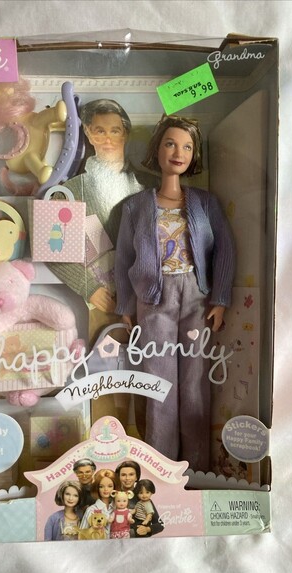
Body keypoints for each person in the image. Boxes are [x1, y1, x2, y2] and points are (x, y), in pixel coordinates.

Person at [114, 115, 236, 473]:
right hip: (153, 298)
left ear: (194, 154)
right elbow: (123, 257)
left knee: (195, 383)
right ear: (157, 149)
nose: (178, 152)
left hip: (196, 297)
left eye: (187, 146)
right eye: (170, 143)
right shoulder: (136, 206)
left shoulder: (204, 203)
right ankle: (161, 468)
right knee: (158, 381)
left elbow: (225, 249)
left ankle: (196, 469)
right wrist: (125, 305)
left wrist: (220, 298)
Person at [46, 99, 157, 425]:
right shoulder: (69, 190)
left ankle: (151, 441)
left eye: (115, 130)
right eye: (99, 130)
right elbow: (51, 249)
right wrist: (89, 287)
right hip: (104, 298)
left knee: (153, 373)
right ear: (88, 134)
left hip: (152, 297)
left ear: (126, 133)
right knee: (106, 378)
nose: (108, 138)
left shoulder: (150, 185)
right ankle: (106, 441)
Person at [115, 460, 163, 537]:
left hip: (139, 539)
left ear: (136, 477)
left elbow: (160, 524)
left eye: (131, 474)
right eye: (123, 475)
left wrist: (147, 529)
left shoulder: (143, 498)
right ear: (118, 477)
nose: (127, 478)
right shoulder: (114, 496)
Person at [79, 469, 118, 536]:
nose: (106, 489)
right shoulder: (91, 510)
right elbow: (82, 534)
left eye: (110, 486)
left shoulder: (117, 508)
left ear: (114, 487)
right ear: (97, 488)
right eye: (101, 486)